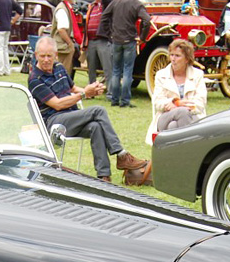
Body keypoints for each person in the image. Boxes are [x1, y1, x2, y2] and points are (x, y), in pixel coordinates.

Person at [28, 36, 149, 182]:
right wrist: (85, 93)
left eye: (49, 56)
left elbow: (72, 88)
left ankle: (104, 176)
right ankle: (121, 155)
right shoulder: (35, 79)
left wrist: (91, 90)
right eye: (42, 56)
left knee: (95, 126)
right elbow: (57, 104)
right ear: (36, 56)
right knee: (98, 110)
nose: (46, 59)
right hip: (54, 123)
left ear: (56, 55)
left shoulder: (59, 67)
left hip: (72, 116)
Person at [146, 38, 206, 144]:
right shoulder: (161, 75)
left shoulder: (198, 75)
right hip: (165, 116)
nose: (173, 59)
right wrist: (175, 103)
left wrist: (181, 107)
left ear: (187, 59)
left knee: (173, 126)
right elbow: (157, 102)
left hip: (192, 117)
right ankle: (190, 147)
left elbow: (200, 103)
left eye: (177, 56)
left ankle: (176, 156)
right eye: (171, 55)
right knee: (180, 113)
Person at [101, 0, 150, 107]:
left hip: (116, 40)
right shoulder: (136, 4)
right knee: (127, 71)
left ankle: (114, 99)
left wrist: (110, 34)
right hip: (129, 41)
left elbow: (104, 17)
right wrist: (142, 37)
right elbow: (147, 20)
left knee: (116, 71)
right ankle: (125, 101)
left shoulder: (115, 2)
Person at [82, 0, 111, 87]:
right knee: (91, 68)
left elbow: (107, 0)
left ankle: (110, 92)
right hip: (90, 41)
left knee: (107, 67)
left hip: (102, 40)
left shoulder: (106, 5)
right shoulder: (92, 6)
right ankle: (91, 90)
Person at [0, 0, 22, 76]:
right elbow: (20, 10)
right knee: (5, 48)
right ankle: (7, 70)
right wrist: (13, 21)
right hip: (7, 27)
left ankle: (0, 70)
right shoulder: (9, 0)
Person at [51, 0, 77, 73]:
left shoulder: (65, 7)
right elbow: (61, 29)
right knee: (62, 72)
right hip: (62, 47)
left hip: (62, 46)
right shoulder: (62, 9)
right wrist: (70, 43)